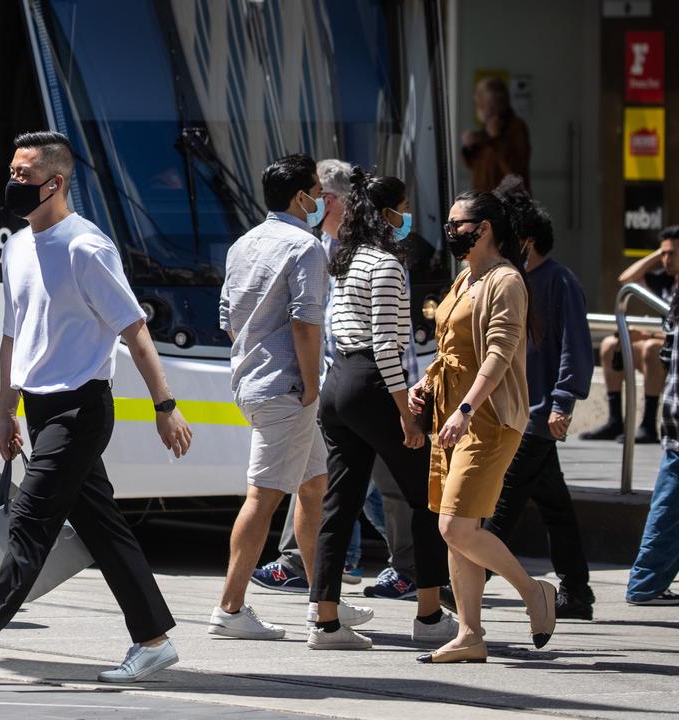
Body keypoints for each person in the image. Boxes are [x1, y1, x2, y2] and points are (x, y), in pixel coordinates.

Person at [0, 131, 191, 686]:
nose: (13, 182)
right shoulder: (17, 246)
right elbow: (13, 335)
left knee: (30, 526)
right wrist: (4, 411)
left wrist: (166, 405)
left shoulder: (86, 247)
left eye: (23, 175)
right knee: (103, 527)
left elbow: (135, 331)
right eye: (12, 172)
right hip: (39, 409)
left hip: (81, 409)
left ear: (55, 183)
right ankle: (154, 641)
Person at [208, 153, 370, 644]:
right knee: (264, 496)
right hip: (289, 388)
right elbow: (306, 321)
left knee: (314, 485)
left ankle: (325, 600)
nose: (322, 203)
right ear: (302, 198)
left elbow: (228, 320)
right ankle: (230, 608)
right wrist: (312, 383)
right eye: (318, 196)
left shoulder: (243, 244)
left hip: (256, 380)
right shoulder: (305, 247)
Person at [308, 169, 455, 651]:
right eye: (404, 206)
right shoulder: (388, 264)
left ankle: (325, 621)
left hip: (337, 386)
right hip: (372, 384)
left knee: (340, 503)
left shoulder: (345, 259)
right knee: (425, 498)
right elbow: (387, 348)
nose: (407, 216)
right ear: (390, 213)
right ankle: (430, 615)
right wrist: (406, 415)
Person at [408, 190, 555, 663]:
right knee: (455, 526)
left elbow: (500, 352)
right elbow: (450, 347)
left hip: (487, 417)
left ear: (485, 227)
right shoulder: (464, 278)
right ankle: (470, 634)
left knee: (454, 525)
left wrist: (466, 409)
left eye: (458, 224)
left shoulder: (505, 280)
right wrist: (425, 383)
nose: (450, 232)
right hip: (449, 416)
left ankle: (533, 592)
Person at [484, 178, 595, 619]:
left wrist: (563, 401)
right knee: (554, 504)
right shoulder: (513, 282)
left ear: (525, 241)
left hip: (536, 413)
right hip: (518, 410)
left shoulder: (559, 282)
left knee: (504, 502)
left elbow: (576, 347)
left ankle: (471, 581)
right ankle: (577, 591)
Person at [580, 228, 679, 444]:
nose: (666, 259)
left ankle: (649, 425)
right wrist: (658, 253)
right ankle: (615, 420)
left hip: (672, 354)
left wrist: (646, 334)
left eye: (671, 254)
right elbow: (626, 279)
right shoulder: (665, 280)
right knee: (610, 344)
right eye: (664, 254)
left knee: (651, 347)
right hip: (666, 350)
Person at [626, 226, 679, 607]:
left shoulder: (676, 296)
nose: (666, 260)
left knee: (668, 503)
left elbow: (665, 356)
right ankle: (645, 584)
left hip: (674, 415)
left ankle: (646, 582)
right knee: (667, 505)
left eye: (671, 253)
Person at [461, 76, 530, 192]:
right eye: (478, 102)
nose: (479, 108)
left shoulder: (516, 127)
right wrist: (469, 147)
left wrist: (496, 139)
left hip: (507, 204)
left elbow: (514, 171)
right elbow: (475, 166)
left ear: (499, 103)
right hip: (485, 202)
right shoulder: (486, 127)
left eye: (483, 103)